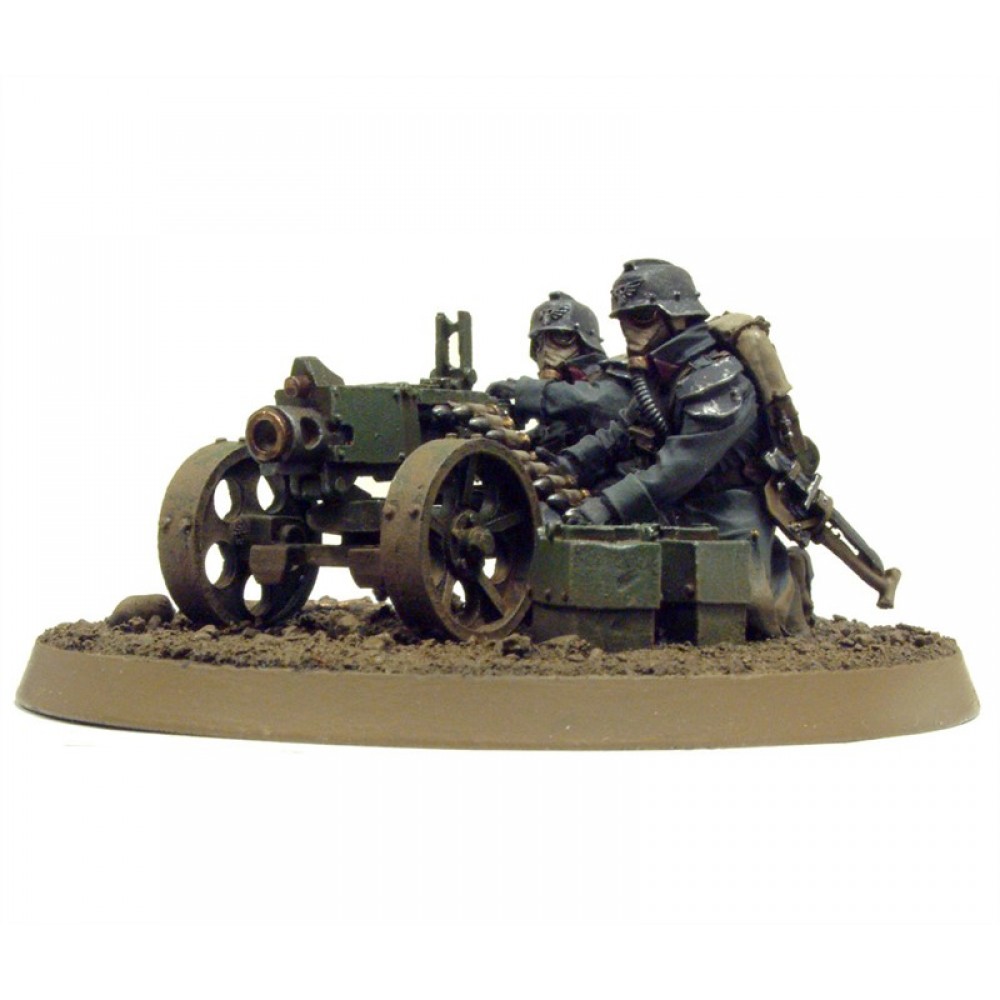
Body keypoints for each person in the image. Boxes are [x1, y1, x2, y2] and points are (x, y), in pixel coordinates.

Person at [547, 259, 810, 637]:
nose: (631, 331)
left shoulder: (718, 378)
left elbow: (679, 467)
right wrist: (566, 465)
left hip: (724, 510)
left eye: (642, 317)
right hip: (674, 506)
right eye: (624, 320)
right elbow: (619, 433)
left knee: (740, 614)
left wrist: (607, 506)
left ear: (679, 315)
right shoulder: (662, 374)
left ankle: (788, 583)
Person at [486, 291, 631, 454]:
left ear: (585, 342)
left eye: (559, 338)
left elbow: (598, 403)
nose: (546, 352)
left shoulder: (618, 376)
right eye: (539, 343)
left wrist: (523, 390)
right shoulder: (558, 403)